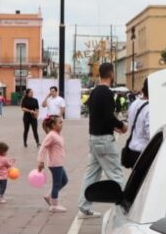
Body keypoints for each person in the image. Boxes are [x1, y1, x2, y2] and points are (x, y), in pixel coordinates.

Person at [78, 63, 128, 216]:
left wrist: (114, 126)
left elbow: (97, 116)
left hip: (93, 138)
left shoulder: (94, 92)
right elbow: (108, 117)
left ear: (99, 74)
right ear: (111, 74)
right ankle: (126, 206)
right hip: (105, 140)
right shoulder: (107, 93)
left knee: (92, 174)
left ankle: (84, 206)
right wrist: (121, 126)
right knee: (116, 173)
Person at [37, 115, 68, 213]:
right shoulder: (51, 135)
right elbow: (43, 148)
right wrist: (41, 161)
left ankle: (49, 196)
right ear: (53, 125)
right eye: (60, 122)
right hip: (55, 164)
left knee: (64, 180)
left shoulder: (57, 134)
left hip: (59, 163)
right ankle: (54, 205)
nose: (62, 124)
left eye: (62, 122)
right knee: (57, 183)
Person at [124, 80, 151, 167]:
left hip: (132, 149)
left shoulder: (134, 104)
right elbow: (150, 133)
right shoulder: (149, 108)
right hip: (143, 151)